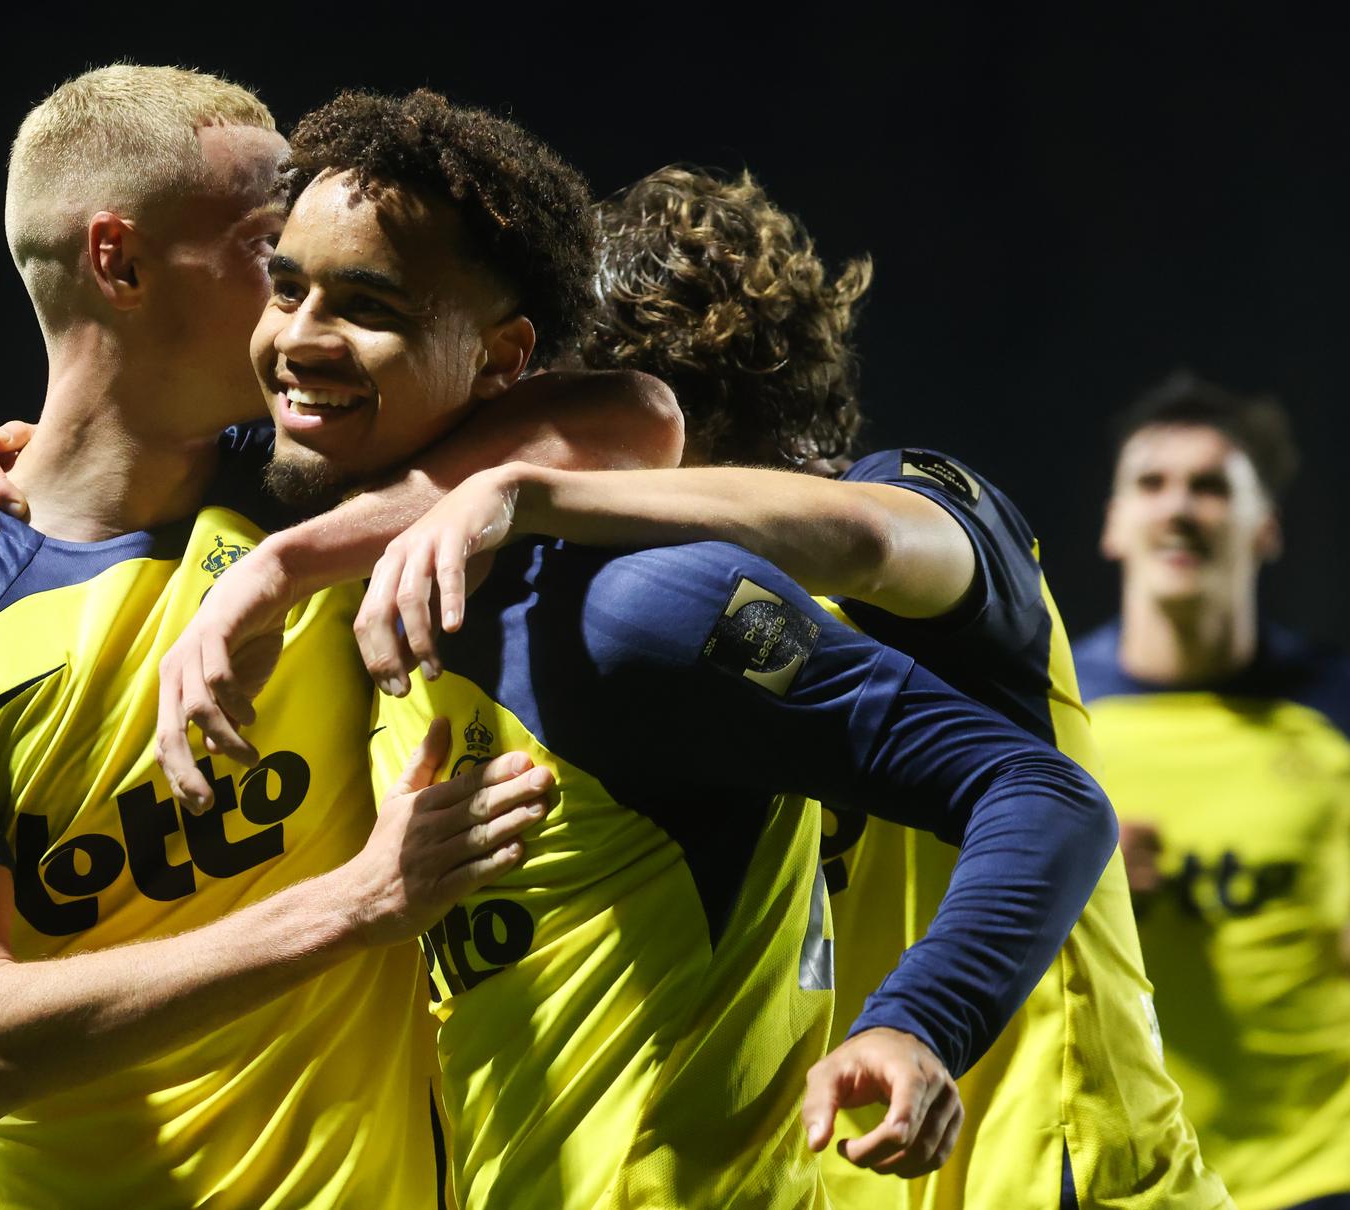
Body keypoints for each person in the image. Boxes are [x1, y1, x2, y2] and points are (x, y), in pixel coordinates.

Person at [163, 91, 1114, 1207]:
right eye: (287, 287)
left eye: (374, 307)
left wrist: (919, 1022)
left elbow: (1031, 780)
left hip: (1069, 1168)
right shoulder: (380, 575)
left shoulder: (655, 598)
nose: (302, 336)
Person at [0, 65, 683, 1209]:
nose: (308, 294)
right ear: (117, 260)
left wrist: (281, 565)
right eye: (272, 252)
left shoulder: (320, 488)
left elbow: (630, 417)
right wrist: (356, 904)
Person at [354, 165, 1231, 1210]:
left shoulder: (920, 516)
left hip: (1062, 1169)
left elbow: (863, 541)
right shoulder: (654, 640)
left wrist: (527, 488)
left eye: (584, 414)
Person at [1075, 372, 1350, 1210]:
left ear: (1263, 528)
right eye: (1151, 484)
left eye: (1211, 485)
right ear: (1115, 526)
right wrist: (1064, 879)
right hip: (1128, 1176)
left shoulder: (1335, 710)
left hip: (1319, 1173)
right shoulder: (1049, 720)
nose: (1179, 507)